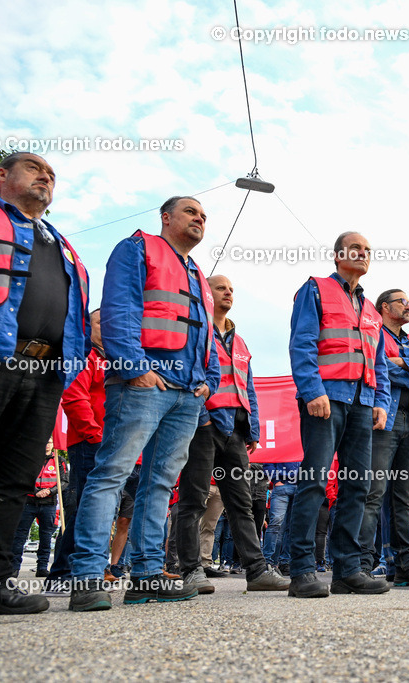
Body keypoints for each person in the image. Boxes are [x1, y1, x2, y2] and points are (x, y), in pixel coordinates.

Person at [70, 196, 220, 611]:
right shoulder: (137, 248)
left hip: (187, 393)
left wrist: (208, 382)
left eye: (204, 217)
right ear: (166, 217)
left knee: (159, 485)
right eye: (191, 212)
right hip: (144, 385)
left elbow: (206, 335)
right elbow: (119, 309)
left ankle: (147, 574)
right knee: (112, 475)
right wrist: (135, 366)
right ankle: (85, 576)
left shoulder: (197, 276)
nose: (199, 220)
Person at [0, 152, 90, 615]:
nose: (46, 178)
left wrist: (70, 363)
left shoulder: (63, 244)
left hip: (44, 371)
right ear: (2, 175)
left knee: (12, 480)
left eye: (52, 175)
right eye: (35, 169)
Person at [287, 231, 391, 598]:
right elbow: (302, 343)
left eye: (368, 249)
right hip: (326, 399)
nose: (363, 254)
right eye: (356, 248)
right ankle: (300, 570)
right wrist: (312, 390)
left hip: (363, 404)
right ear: (337, 255)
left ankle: (347, 570)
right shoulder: (315, 290)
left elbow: (379, 362)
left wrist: (382, 402)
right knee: (314, 480)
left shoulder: (372, 311)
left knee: (357, 485)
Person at [176, 275, 288, 595]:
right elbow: (188, 375)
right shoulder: (196, 330)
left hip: (235, 432)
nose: (228, 293)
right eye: (221, 288)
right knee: (194, 498)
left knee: (240, 503)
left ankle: (257, 571)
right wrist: (201, 418)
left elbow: (247, 387)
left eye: (231, 290)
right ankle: (190, 570)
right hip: (204, 424)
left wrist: (251, 427)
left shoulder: (239, 341)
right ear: (205, 293)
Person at [358, 288, 409, 586]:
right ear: (385, 307)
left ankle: (405, 565)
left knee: (403, 498)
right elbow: (377, 368)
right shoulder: (374, 334)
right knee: (374, 493)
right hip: (384, 422)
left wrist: (404, 364)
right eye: (402, 302)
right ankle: (362, 566)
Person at [43, 310, 106, 596]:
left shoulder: (117, 360)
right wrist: (94, 435)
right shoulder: (86, 357)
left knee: (98, 510)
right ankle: (61, 573)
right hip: (89, 443)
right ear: (87, 328)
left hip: (110, 446)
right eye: (99, 322)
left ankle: (85, 569)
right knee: (85, 509)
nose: (107, 327)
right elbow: (74, 396)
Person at [10, 440, 60, 577]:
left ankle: (42, 567)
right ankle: (14, 567)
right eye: (45, 442)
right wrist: (36, 491)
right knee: (20, 536)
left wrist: (49, 491)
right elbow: (24, 477)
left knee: (46, 538)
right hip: (29, 502)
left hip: (49, 504)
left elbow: (64, 481)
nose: (47, 445)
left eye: (50, 442)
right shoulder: (31, 458)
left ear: (53, 444)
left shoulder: (59, 460)